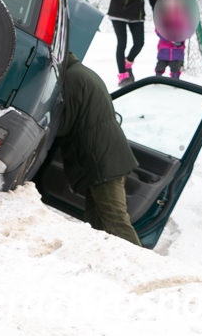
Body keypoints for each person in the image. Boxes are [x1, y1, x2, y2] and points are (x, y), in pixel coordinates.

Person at [55, 52, 141, 246]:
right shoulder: (83, 73)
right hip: (106, 155)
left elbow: (64, 124)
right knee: (95, 220)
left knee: (115, 221)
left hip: (102, 160)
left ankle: (141, 266)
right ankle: (105, 263)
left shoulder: (73, 78)